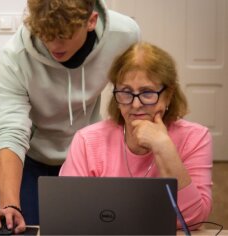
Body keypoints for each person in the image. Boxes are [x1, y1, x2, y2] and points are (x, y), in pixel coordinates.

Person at [0, 0, 140, 233]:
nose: (52, 44)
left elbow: (133, 94)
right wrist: (9, 205)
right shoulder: (14, 56)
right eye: (44, 34)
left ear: (91, 21)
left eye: (63, 35)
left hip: (90, 156)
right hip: (34, 158)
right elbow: (10, 130)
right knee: (29, 228)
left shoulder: (125, 35)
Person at [60, 42, 212, 229]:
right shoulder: (87, 140)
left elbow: (194, 219)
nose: (136, 104)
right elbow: (69, 213)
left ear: (168, 95)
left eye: (147, 93)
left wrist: (164, 148)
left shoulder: (195, 137)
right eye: (125, 92)